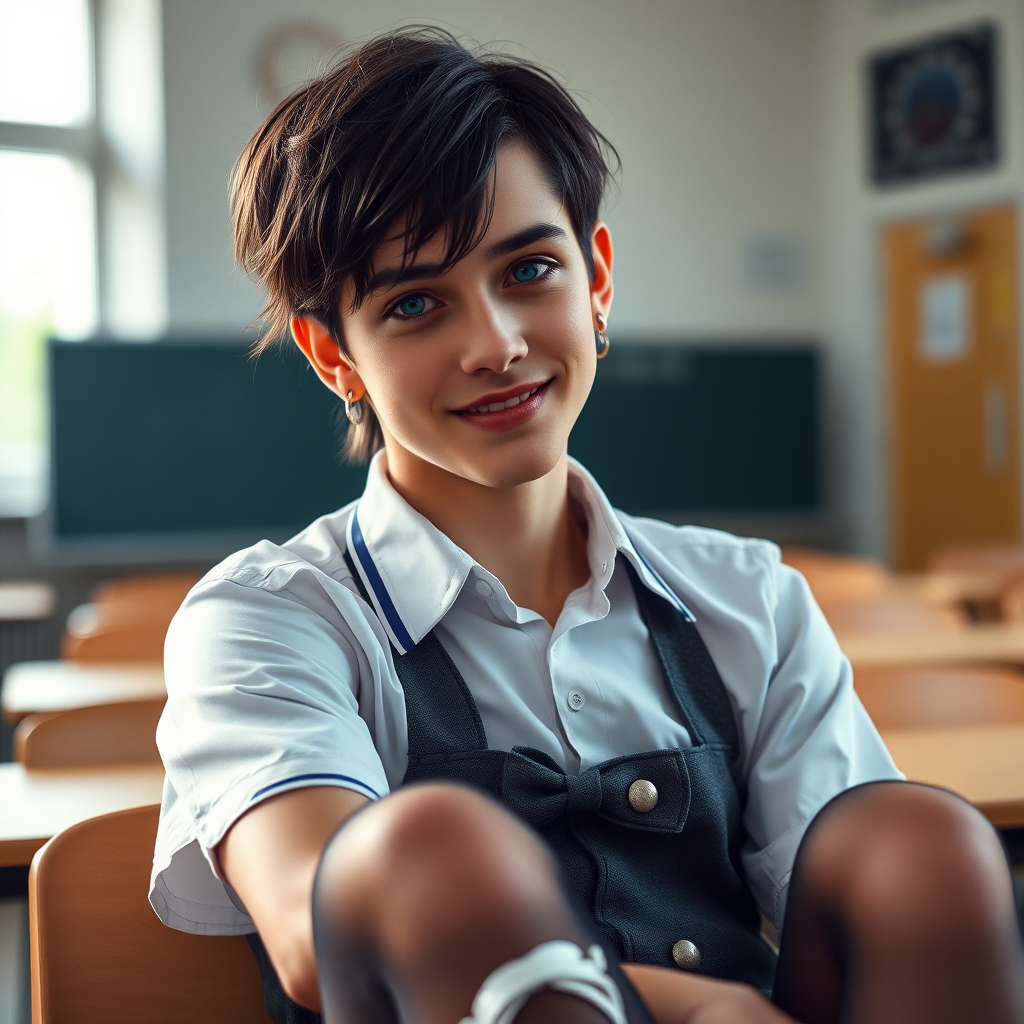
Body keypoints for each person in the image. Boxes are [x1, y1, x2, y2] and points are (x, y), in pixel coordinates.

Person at [149, 27, 1024, 1024]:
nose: (497, 344)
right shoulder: (266, 620)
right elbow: (317, 931)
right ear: (332, 356)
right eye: (417, 303)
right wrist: (695, 1008)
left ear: (595, 276)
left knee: (925, 842)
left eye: (527, 272)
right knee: (425, 849)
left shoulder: (746, 598)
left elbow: (868, 910)